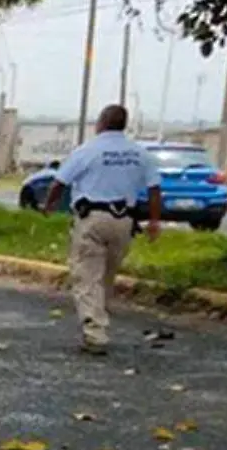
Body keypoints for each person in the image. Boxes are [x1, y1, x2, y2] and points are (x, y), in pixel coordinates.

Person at [39, 103, 159, 355]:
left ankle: (95, 333)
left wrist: (48, 206)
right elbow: (154, 188)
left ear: (102, 123)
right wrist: (155, 222)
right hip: (124, 221)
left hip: (92, 218)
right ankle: (100, 319)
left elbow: (60, 181)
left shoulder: (88, 150)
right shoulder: (139, 153)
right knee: (106, 276)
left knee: (87, 275)